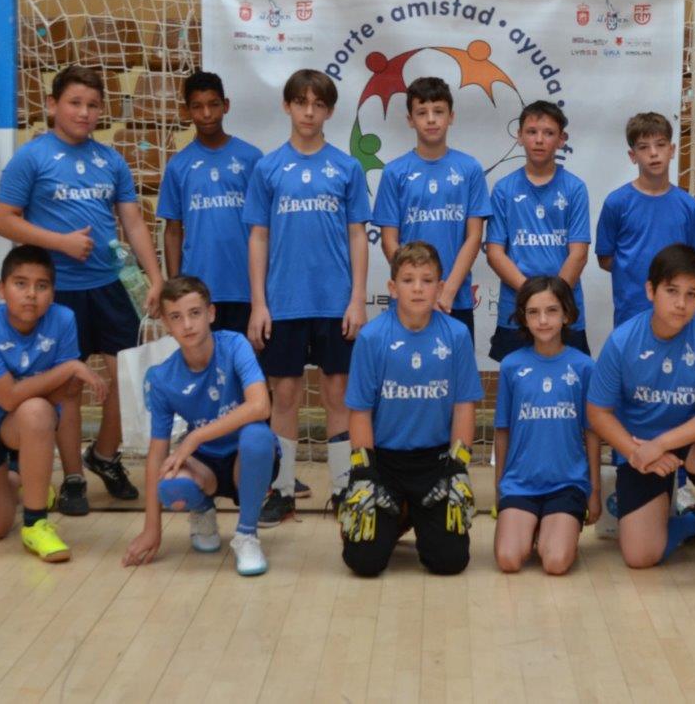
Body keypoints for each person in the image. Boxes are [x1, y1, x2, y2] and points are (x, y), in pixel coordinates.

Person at [0, 64, 162, 514]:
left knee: (130, 379)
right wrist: (60, 243)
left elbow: (132, 221)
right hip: (58, 293)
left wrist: (155, 276)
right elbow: (4, 219)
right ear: (53, 105)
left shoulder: (111, 160)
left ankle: (104, 456)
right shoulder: (31, 158)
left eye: (93, 105)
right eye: (75, 103)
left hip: (110, 287)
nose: (84, 113)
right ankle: (72, 477)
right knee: (67, 387)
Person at [587, 244, 695, 598]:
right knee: (640, 556)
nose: (681, 303)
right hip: (642, 450)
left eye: (692, 294)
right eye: (672, 291)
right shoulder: (623, 341)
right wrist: (635, 452)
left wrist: (662, 443)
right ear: (651, 290)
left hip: (692, 445)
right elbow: (598, 412)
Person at [244, 69, 371, 524]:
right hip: (284, 303)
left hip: (335, 302)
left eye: (318, 104)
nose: (309, 112)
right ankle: (281, 490)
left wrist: (357, 299)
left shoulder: (347, 167)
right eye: (301, 103)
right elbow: (258, 237)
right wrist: (259, 304)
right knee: (284, 396)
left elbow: (358, 235)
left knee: (338, 394)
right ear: (287, 106)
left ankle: (342, 489)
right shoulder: (268, 168)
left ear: (330, 111)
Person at [0, 245, 107, 562]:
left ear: (52, 293)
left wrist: (0, 389)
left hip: (18, 424)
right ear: (1, 289)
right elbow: (9, 398)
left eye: (41, 286)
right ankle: (20, 479)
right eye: (21, 284)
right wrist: (69, 367)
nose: (31, 294)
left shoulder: (63, 319)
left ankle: (35, 524)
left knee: (36, 412)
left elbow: (62, 394)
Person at [338, 241, 483, 577]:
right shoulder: (372, 337)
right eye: (408, 280)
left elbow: (464, 406)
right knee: (363, 563)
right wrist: (364, 474)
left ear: (440, 288)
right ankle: (400, 514)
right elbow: (359, 411)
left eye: (427, 280)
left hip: (435, 463)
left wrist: (457, 467)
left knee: (450, 562)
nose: (418, 288)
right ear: (392, 288)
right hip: (384, 463)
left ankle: (413, 513)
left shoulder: (457, 335)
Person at [121, 276, 277, 576]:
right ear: (165, 324)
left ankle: (246, 536)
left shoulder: (235, 345)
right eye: (176, 317)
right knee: (171, 482)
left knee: (258, 436)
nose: (187, 325)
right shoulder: (162, 377)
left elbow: (261, 406)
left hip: (244, 458)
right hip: (205, 465)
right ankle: (202, 510)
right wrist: (152, 528)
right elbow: (157, 452)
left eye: (195, 313)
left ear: (211, 313)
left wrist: (195, 438)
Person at [493, 276, 599, 575]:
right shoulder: (511, 366)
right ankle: (534, 527)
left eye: (551, 311)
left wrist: (594, 489)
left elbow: (592, 432)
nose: (542, 320)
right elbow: (502, 430)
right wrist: (500, 486)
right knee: (508, 560)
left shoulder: (584, 366)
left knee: (555, 562)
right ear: (523, 318)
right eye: (533, 312)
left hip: (567, 483)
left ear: (567, 314)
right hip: (520, 483)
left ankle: (555, 529)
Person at [372, 76, 490, 339]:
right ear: (410, 120)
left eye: (438, 111)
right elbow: (389, 240)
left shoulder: (470, 168)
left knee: (455, 365)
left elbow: (474, 237)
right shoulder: (394, 172)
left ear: (451, 116)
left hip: (455, 299)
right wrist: (416, 287)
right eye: (422, 112)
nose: (431, 119)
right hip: (408, 300)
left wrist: (446, 291)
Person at [158, 70, 263, 336]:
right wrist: (175, 286)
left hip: (245, 286)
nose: (206, 114)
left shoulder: (252, 158)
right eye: (197, 106)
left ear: (225, 105)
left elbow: (264, 227)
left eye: (213, 104)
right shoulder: (178, 165)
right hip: (197, 290)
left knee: (246, 359)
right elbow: (173, 230)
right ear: (186, 111)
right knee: (203, 358)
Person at [485, 101, 591, 362]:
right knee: (516, 378)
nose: (539, 140)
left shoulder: (575, 188)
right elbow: (495, 253)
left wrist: (553, 300)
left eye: (549, 133)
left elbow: (578, 254)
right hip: (516, 310)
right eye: (532, 132)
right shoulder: (503, 189)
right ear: (519, 136)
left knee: (569, 381)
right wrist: (532, 297)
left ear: (561, 139)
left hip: (564, 308)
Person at [596, 111, 695, 328]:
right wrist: (634, 271)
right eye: (643, 147)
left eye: (660, 144)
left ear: (672, 150)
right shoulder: (616, 202)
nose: (654, 153)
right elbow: (605, 259)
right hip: (631, 314)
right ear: (633, 155)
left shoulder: (688, 205)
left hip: (679, 315)